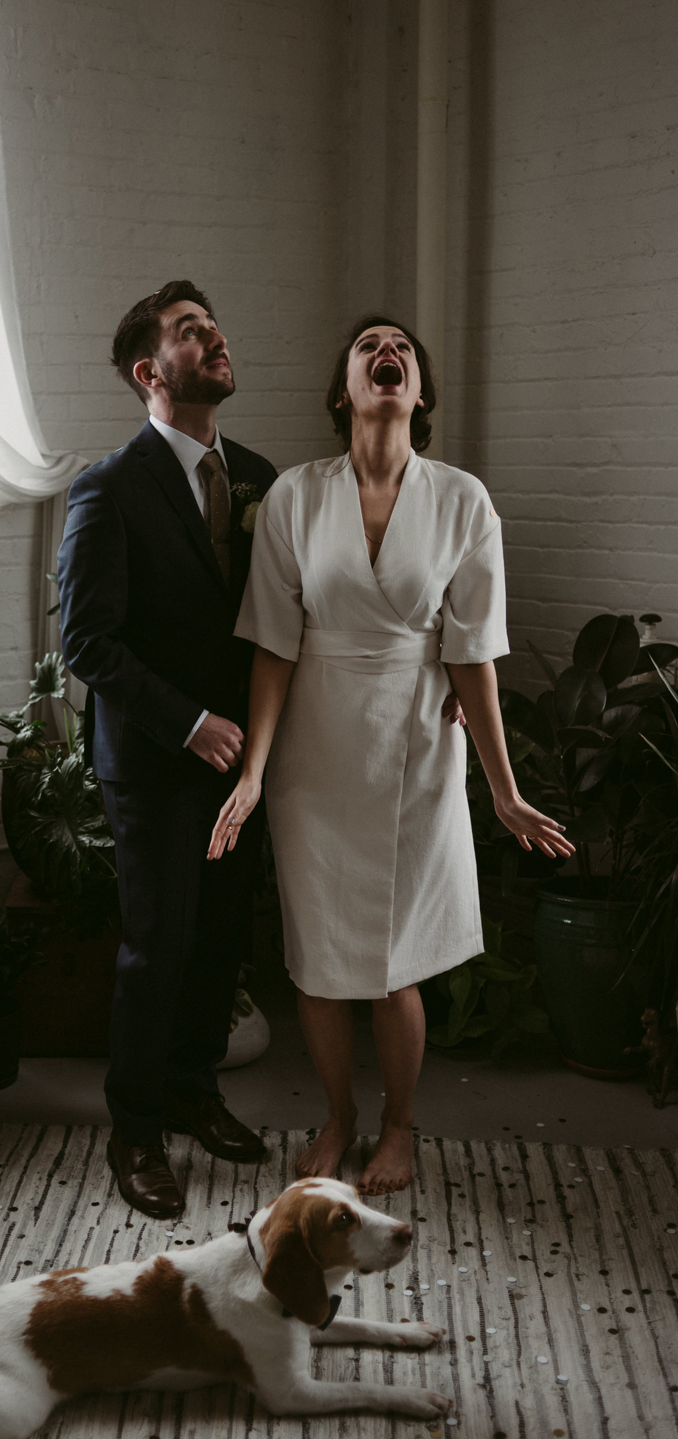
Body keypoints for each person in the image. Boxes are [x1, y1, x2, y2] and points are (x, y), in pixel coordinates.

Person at [209, 315, 571, 1194]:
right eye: (372, 346)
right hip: (314, 751)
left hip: (415, 743)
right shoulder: (296, 495)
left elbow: (472, 655)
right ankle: (339, 1117)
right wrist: (253, 773)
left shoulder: (461, 501)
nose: (390, 353)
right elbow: (272, 645)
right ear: (346, 387)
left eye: (403, 350)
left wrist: (505, 792)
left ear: (418, 390)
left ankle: (399, 1126)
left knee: (395, 963)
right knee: (323, 963)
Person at [55, 281, 276, 1221]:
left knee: (224, 937)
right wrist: (190, 722)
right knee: (159, 944)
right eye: (192, 332)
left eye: (214, 324)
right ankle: (136, 1131)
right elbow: (87, 643)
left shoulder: (261, 476)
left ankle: (195, 1089)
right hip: (154, 760)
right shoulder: (108, 487)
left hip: (244, 763)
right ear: (152, 373)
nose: (216, 336)